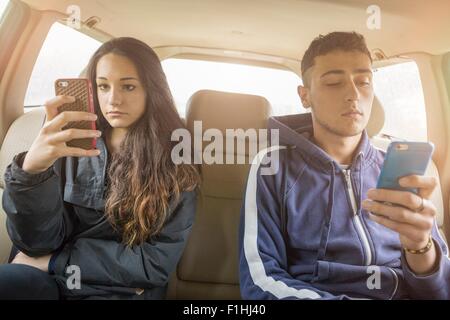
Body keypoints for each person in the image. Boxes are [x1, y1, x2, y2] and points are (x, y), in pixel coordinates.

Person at [239, 31, 450, 299]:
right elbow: (260, 281)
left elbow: (439, 290)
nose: (353, 94)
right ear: (305, 96)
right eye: (334, 82)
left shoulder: (398, 168)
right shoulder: (273, 167)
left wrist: (420, 247)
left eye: (364, 82)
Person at [0, 37, 200, 299]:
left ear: (152, 90)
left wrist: (53, 260)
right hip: (49, 278)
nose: (113, 99)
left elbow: (152, 264)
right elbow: (35, 244)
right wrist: (32, 172)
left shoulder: (176, 160)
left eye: (128, 87)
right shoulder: (66, 142)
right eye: (103, 86)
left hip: (117, 289)